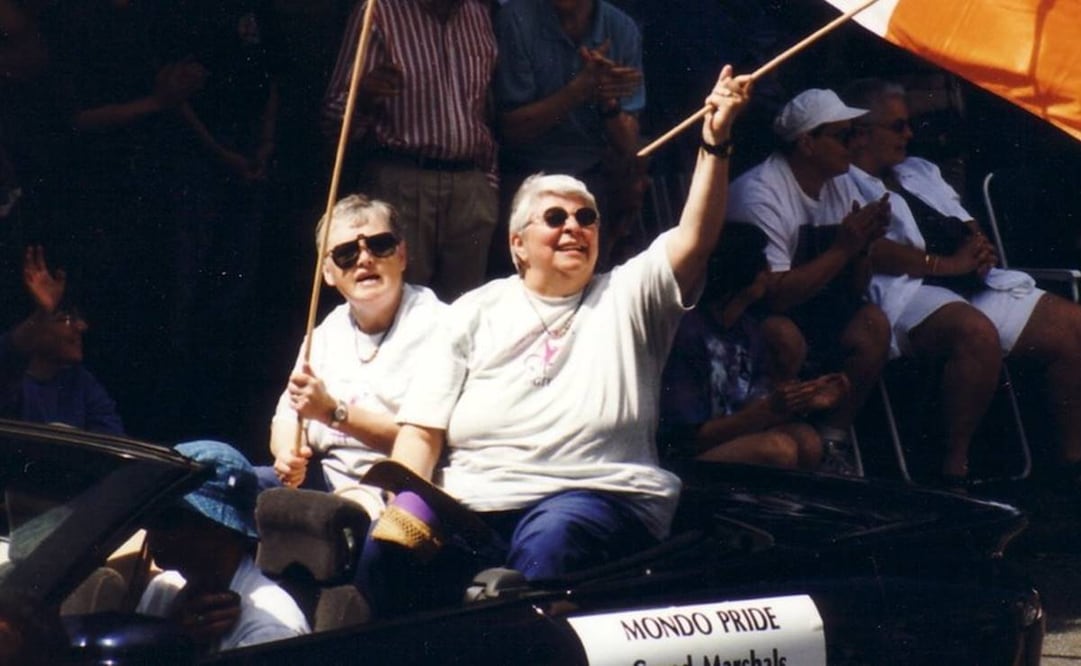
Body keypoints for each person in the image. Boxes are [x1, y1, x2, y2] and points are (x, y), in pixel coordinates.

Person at [357, 65, 751, 616]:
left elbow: (694, 238)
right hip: (473, 503)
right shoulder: (472, 311)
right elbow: (421, 432)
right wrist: (403, 501)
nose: (574, 226)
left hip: (591, 499)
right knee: (385, 551)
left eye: (586, 216)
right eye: (556, 216)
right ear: (518, 244)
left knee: (549, 544)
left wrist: (715, 140)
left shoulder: (628, 295)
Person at [841, 78, 1081, 485]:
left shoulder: (919, 170)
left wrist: (980, 247)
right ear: (861, 134)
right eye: (897, 126)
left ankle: (1074, 466)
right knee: (974, 333)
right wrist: (947, 264)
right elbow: (872, 250)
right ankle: (955, 469)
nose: (909, 134)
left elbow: (964, 221)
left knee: (1074, 324)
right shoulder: (841, 179)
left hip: (969, 282)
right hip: (903, 291)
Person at [726, 88, 891, 476]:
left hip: (816, 305)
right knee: (785, 334)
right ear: (807, 142)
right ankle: (784, 435)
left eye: (856, 133)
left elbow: (856, 287)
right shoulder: (761, 193)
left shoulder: (840, 182)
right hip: (752, 314)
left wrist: (864, 247)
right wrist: (844, 248)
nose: (856, 143)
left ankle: (833, 438)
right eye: (843, 135)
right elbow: (774, 296)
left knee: (873, 325)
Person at [268, 194, 446, 516]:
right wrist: (286, 454)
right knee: (220, 472)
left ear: (402, 255)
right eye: (346, 253)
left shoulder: (441, 326)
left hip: (396, 495)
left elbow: (426, 440)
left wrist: (334, 412)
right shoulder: (323, 333)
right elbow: (287, 415)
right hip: (326, 483)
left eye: (379, 245)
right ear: (328, 272)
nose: (364, 259)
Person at [321, 0, 498, 303]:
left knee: (467, 312)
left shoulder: (478, 15)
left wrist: (487, 187)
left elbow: (487, 110)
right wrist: (363, 97)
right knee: (397, 309)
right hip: (403, 181)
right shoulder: (378, 12)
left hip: (470, 187)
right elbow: (332, 117)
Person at [659, 222, 847, 470]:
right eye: (761, 262)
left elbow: (755, 406)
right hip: (679, 458)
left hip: (726, 442)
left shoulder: (747, 331)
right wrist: (768, 410)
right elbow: (685, 437)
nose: (769, 270)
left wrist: (804, 398)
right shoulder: (688, 332)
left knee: (807, 440)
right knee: (778, 450)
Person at [492, 0, 646, 273]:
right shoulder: (515, 18)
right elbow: (510, 130)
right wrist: (578, 91)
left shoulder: (622, 29)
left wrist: (608, 101)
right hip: (523, 180)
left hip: (590, 181)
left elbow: (627, 143)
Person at [137, 440, 309, 653]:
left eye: (169, 518)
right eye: (151, 513)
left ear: (220, 528)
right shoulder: (162, 590)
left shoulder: (269, 630)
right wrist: (174, 636)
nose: (152, 528)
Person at [0, 246, 123, 435]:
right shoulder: (11, 382)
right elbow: (9, 354)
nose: (81, 326)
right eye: (67, 318)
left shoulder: (81, 383)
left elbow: (112, 443)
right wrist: (43, 312)